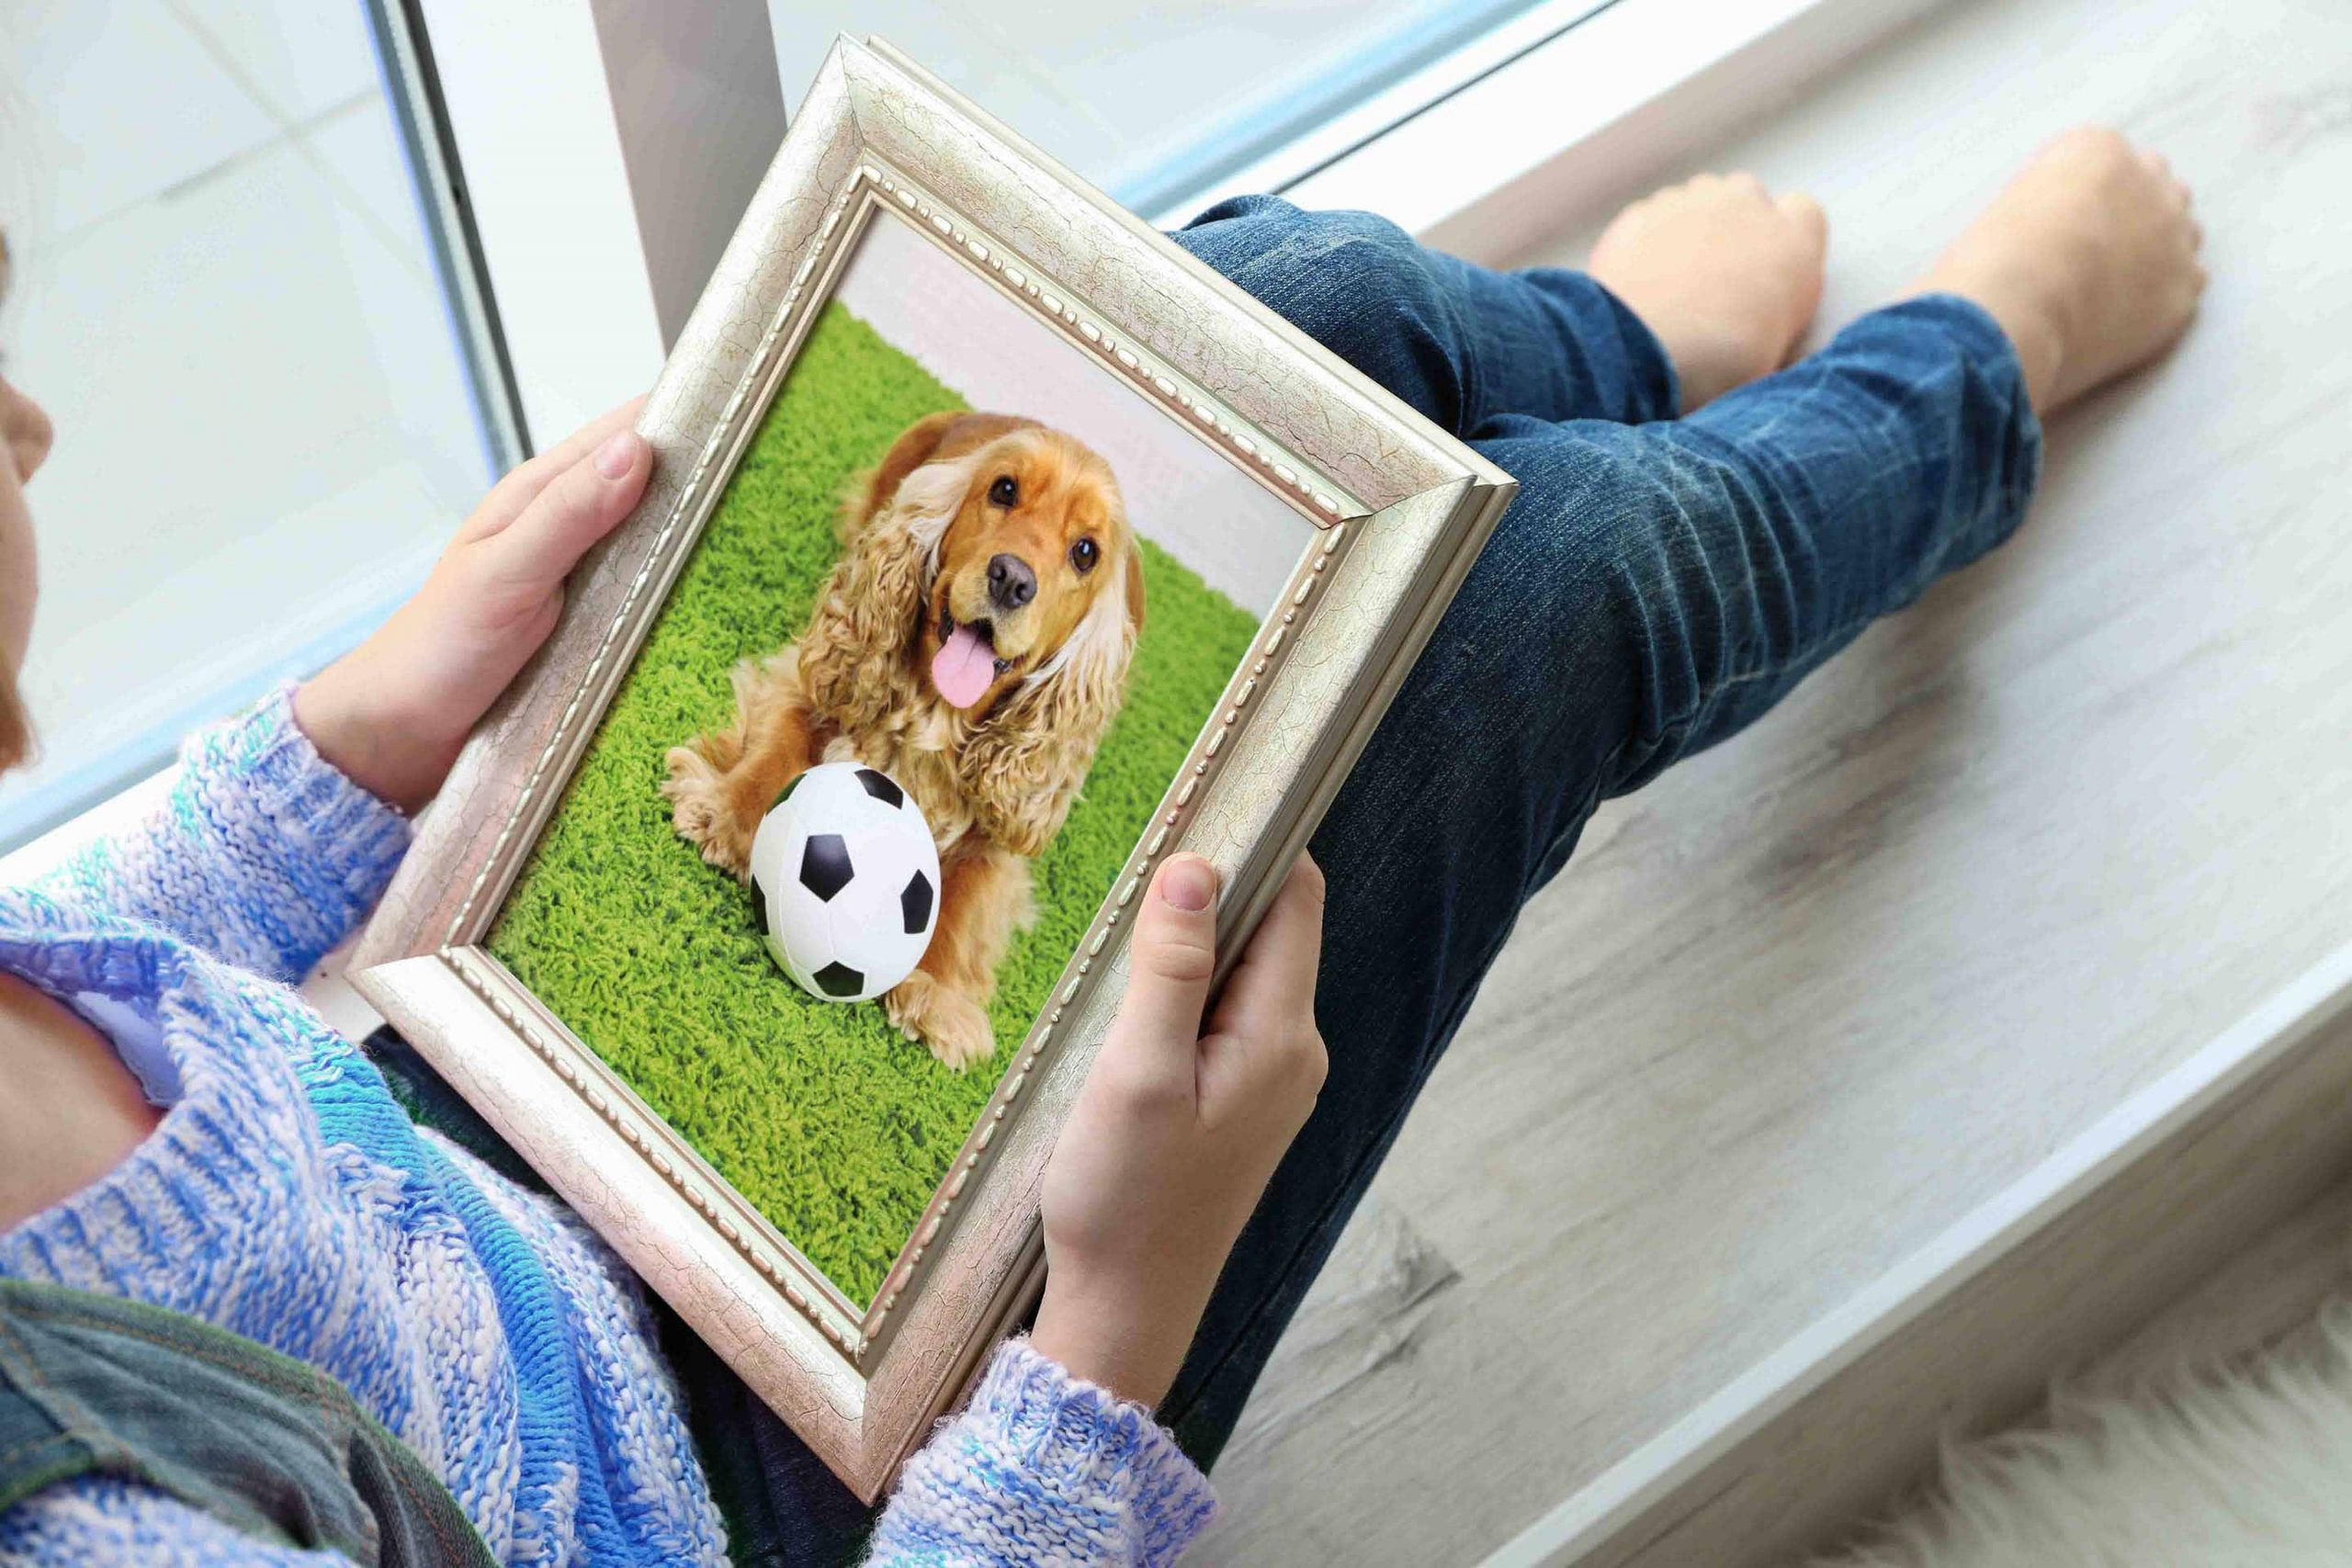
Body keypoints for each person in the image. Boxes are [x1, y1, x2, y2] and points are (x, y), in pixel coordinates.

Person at [0, 122, 2200, 1564]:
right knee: (1559, 597)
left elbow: (91, 973)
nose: (33, 411)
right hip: (784, 1474)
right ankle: (1957, 389)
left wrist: (352, 736)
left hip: (474, 1108)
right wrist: (1109, 1330)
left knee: (1287, 309)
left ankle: (1611, 342)